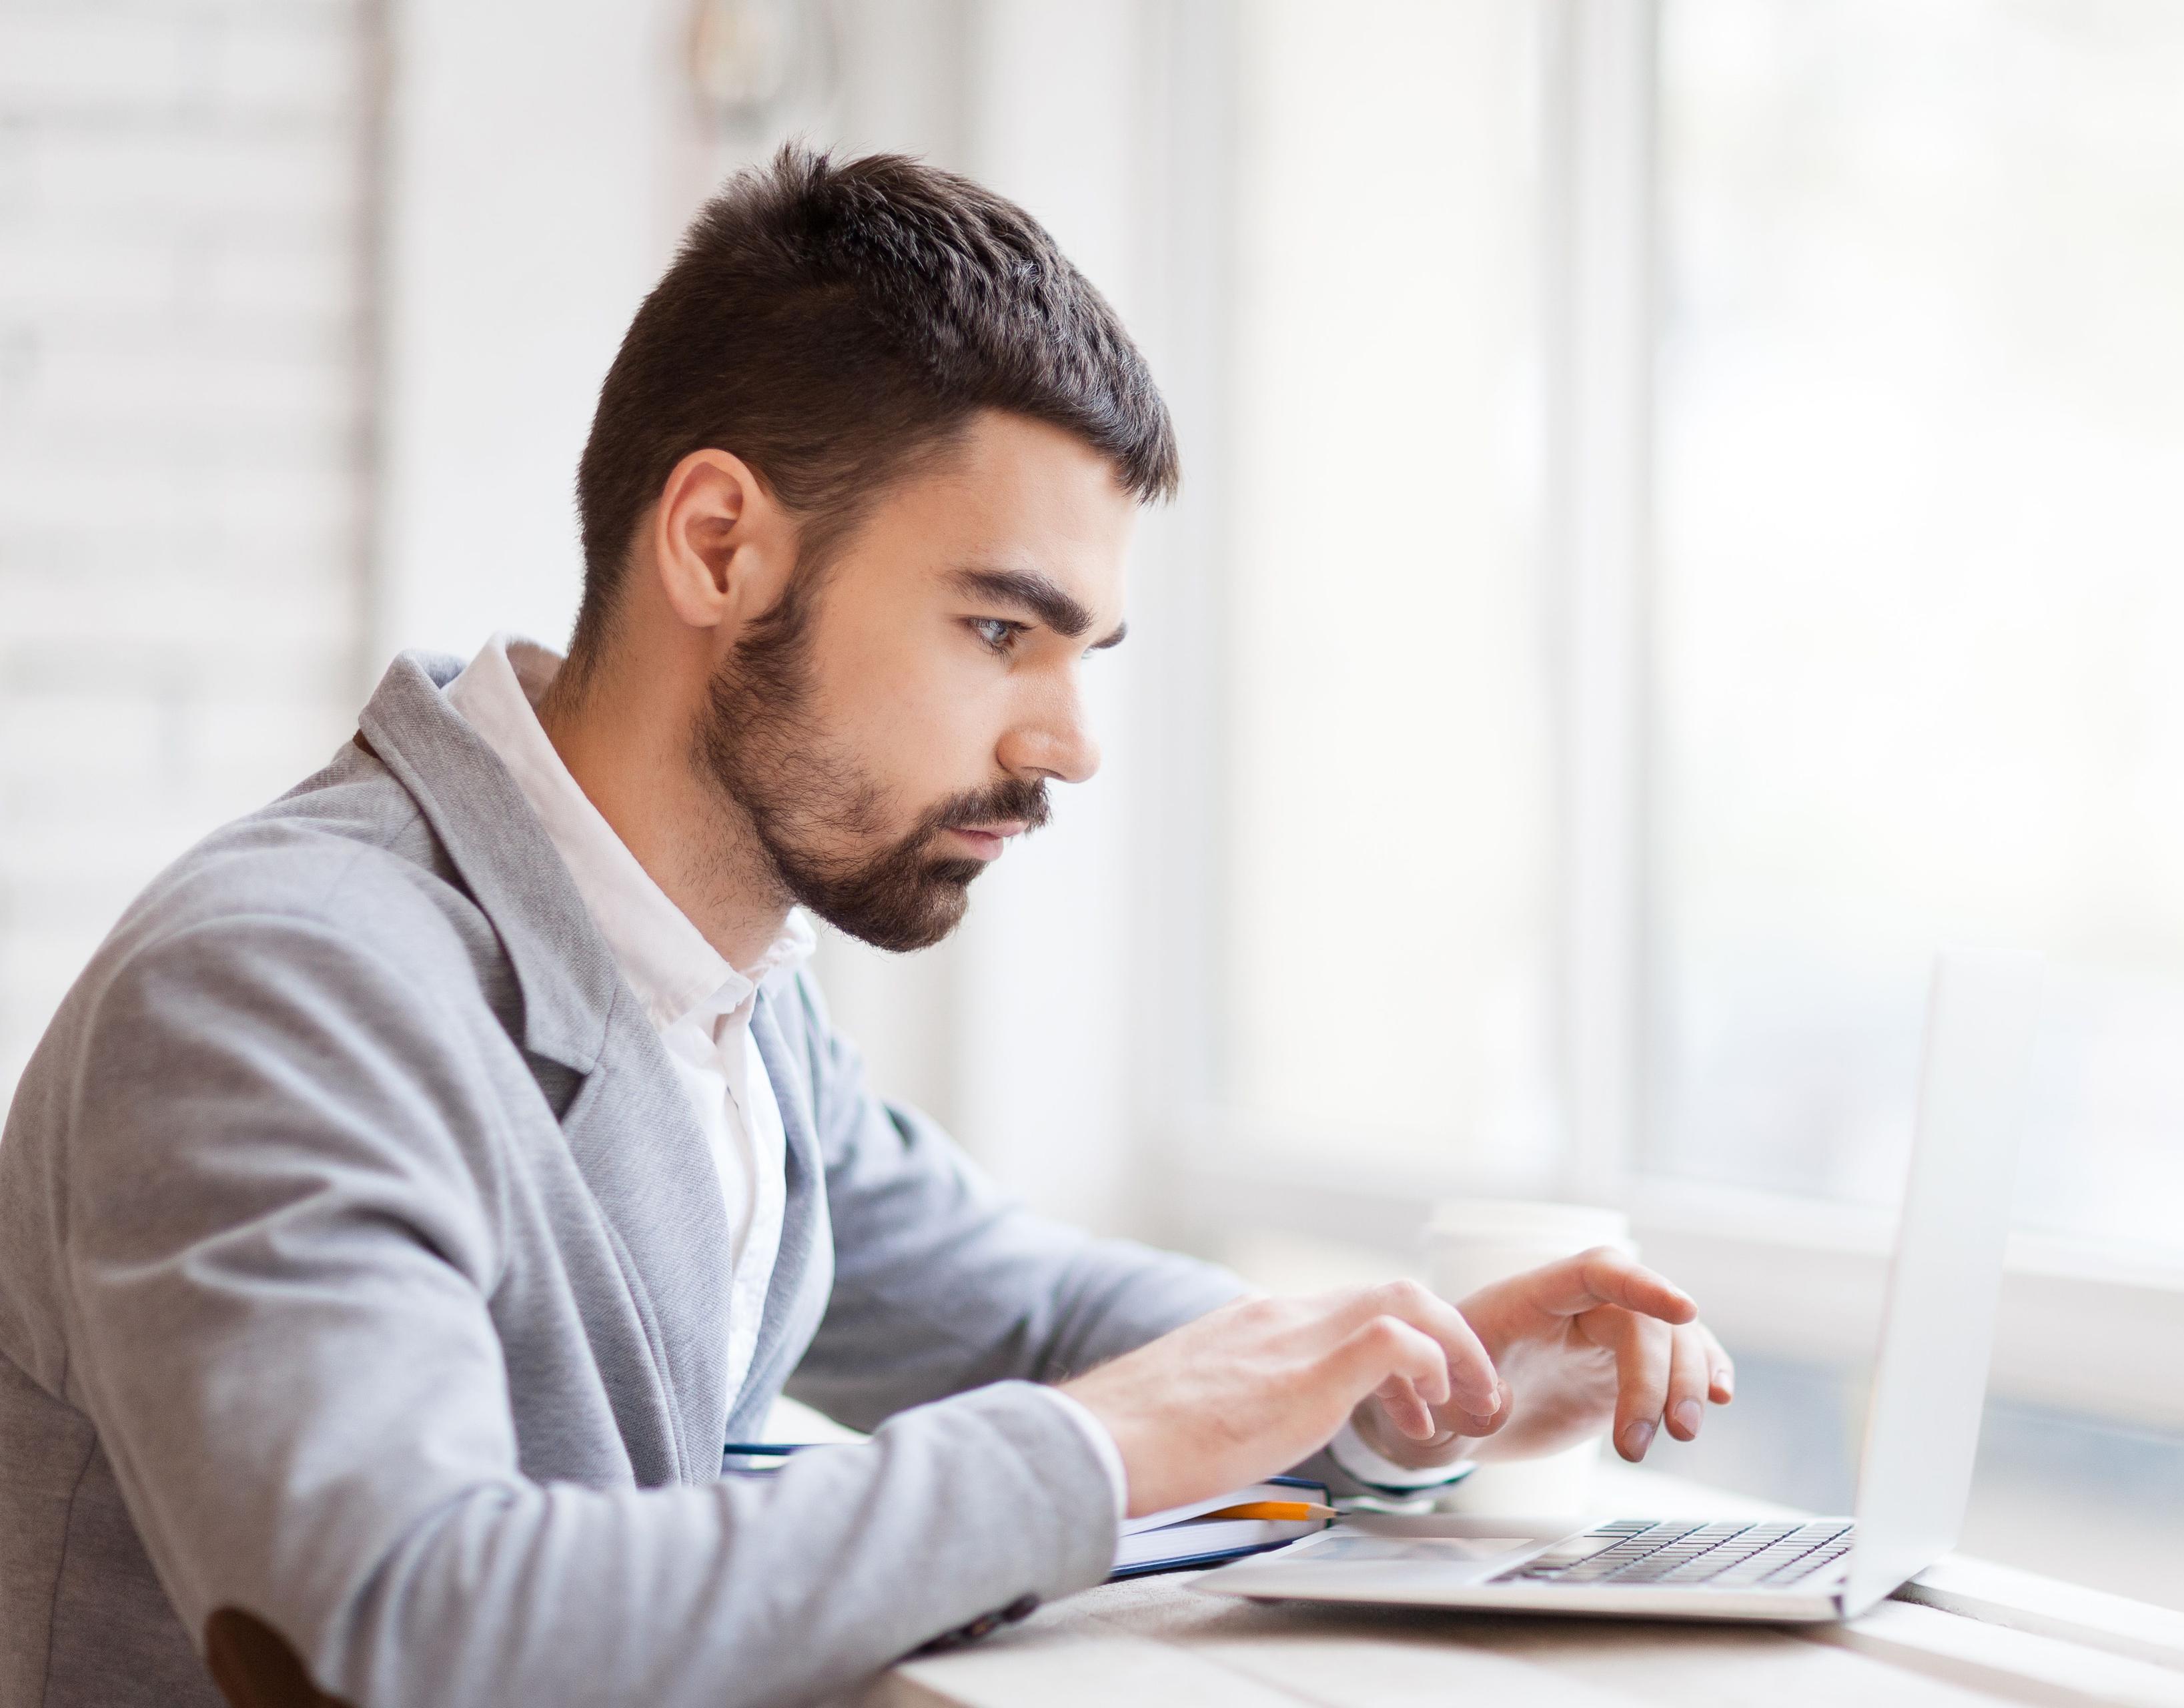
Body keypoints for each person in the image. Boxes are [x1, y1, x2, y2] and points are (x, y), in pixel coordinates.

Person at [0, 147, 1730, 1708]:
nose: (1069, 745)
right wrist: (1097, 1453)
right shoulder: (277, 990)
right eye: (999, 632)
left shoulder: (719, 978)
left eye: (1082, 657)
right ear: (721, 544)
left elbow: (1025, 1307)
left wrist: (1402, 1381)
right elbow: (396, 1628)